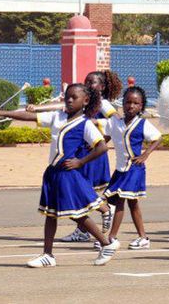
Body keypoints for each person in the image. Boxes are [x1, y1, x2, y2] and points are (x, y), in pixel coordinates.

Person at [0, 83, 120, 267]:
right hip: (53, 173)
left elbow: (102, 147)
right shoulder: (58, 116)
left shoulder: (85, 124)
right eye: (67, 97)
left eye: (74, 97)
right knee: (51, 214)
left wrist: (80, 162)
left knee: (77, 214)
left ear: (86, 100)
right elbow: (30, 116)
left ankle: (106, 243)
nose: (70, 100)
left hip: (68, 174)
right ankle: (48, 255)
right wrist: (3, 113)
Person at [29, 71, 122, 243]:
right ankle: (85, 229)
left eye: (93, 82)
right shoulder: (79, 101)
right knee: (78, 193)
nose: (88, 84)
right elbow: (59, 107)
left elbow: (116, 121)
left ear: (102, 86)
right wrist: (36, 108)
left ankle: (103, 210)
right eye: (86, 80)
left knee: (79, 192)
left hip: (90, 154)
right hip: (79, 152)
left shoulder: (103, 103)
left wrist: (98, 125)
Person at [96, 86, 161, 251]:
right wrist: (94, 147)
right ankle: (143, 237)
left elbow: (157, 138)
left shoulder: (142, 124)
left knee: (120, 201)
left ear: (141, 106)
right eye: (128, 102)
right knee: (128, 203)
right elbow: (107, 136)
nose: (131, 106)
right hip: (120, 169)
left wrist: (145, 155)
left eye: (136, 103)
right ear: (122, 104)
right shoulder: (114, 122)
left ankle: (111, 237)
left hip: (134, 168)